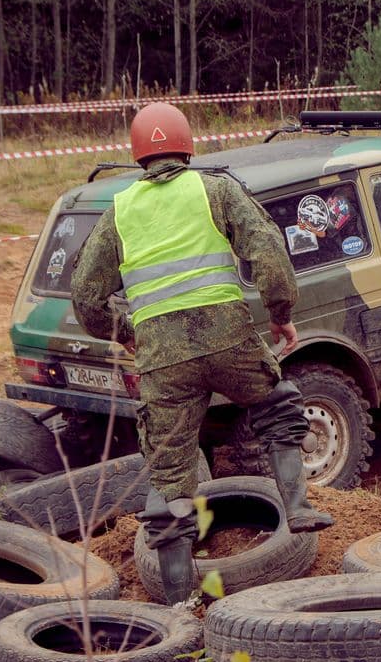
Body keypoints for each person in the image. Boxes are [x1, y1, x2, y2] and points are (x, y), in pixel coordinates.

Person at [72, 102, 333, 605]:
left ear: (138, 155)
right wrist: (279, 312)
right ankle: (298, 508)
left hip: (162, 361)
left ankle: (178, 604)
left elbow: (85, 296)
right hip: (227, 339)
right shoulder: (216, 189)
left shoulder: (118, 213)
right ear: (187, 147)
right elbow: (269, 252)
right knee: (277, 405)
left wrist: (124, 331)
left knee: (171, 477)